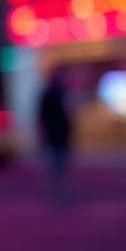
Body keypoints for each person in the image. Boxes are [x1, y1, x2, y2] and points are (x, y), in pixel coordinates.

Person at [37, 70, 72, 202]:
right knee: (57, 164)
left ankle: (58, 189)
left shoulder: (59, 94)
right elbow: (43, 116)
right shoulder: (53, 94)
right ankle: (57, 190)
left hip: (59, 135)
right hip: (56, 134)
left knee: (59, 164)